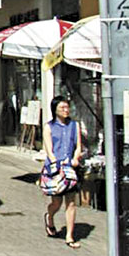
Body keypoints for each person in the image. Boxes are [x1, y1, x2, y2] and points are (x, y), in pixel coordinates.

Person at [42, 95, 82, 248]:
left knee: (71, 203)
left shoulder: (74, 125)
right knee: (57, 202)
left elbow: (78, 145)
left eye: (67, 107)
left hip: (71, 169)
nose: (66, 110)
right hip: (56, 170)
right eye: (62, 108)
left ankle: (69, 236)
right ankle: (50, 216)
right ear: (55, 110)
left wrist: (75, 157)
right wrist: (55, 163)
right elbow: (49, 149)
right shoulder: (49, 127)